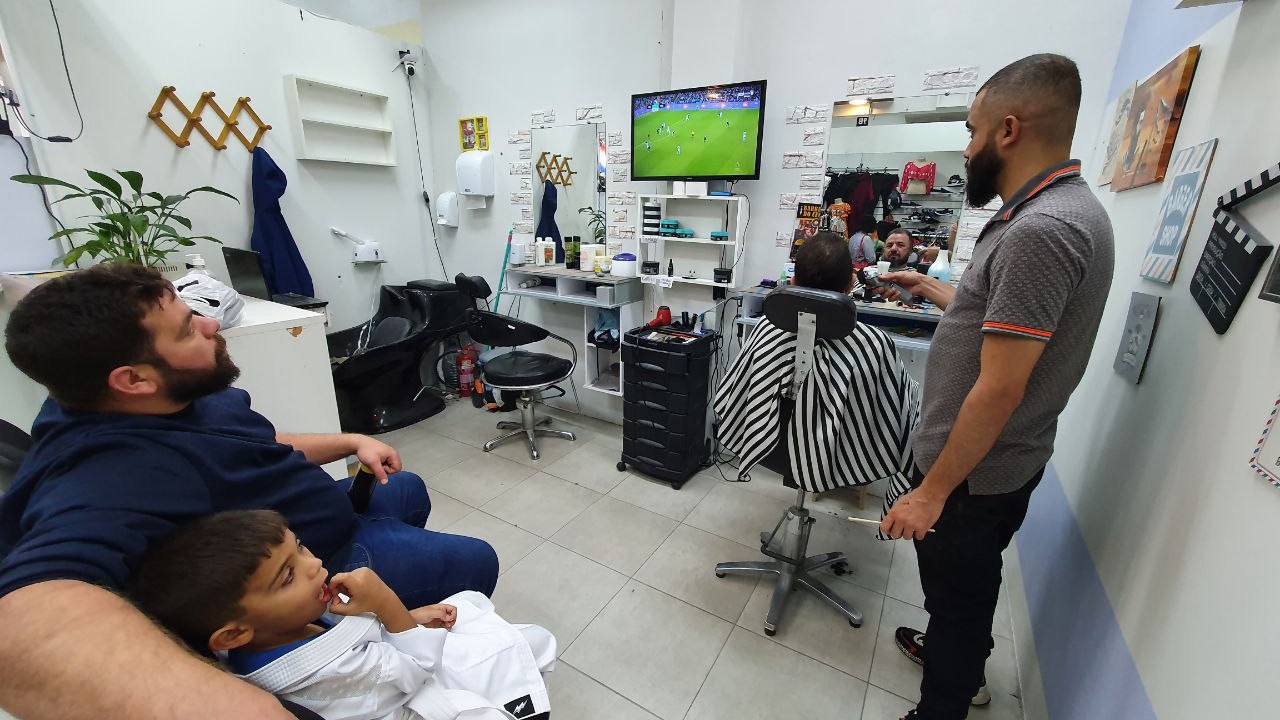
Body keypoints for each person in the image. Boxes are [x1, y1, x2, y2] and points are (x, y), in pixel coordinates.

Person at [0, 264, 499, 719]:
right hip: (316, 562)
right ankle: (389, 627)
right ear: (132, 380)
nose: (210, 324)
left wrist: (348, 440)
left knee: (406, 487)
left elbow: (257, 443)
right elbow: (23, 628)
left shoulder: (176, 391)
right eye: (185, 329)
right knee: (477, 562)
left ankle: (392, 607)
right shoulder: (105, 471)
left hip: (312, 526)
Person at [878, 54, 1114, 720]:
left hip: (973, 479)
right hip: (995, 468)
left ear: (1008, 131)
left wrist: (931, 492)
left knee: (960, 598)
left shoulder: (1044, 231)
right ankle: (958, 658)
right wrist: (927, 286)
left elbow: (1000, 389)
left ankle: (943, 703)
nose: (967, 145)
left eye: (973, 129)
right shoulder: (1048, 212)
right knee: (967, 590)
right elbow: (1001, 323)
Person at [130, 510, 554, 720]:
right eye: (287, 576)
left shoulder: (272, 635)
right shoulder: (323, 673)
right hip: (413, 696)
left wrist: (409, 615)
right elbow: (416, 670)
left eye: (299, 547)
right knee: (529, 644)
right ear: (234, 633)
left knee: (467, 605)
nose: (314, 565)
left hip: (392, 667)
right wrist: (388, 604)